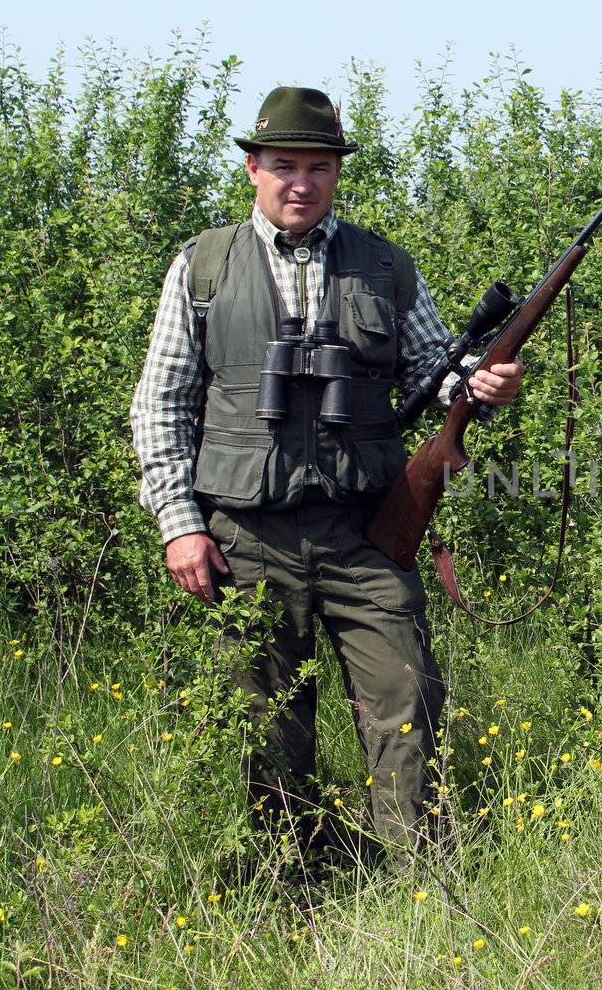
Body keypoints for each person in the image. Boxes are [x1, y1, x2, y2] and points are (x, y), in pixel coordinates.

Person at [130, 86, 523, 856]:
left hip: (364, 535)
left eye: (318, 166)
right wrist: (179, 526)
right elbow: (159, 406)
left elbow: (434, 368)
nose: (300, 182)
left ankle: (419, 886)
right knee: (266, 725)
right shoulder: (202, 266)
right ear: (252, 167)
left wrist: (481, 383)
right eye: (284, 165)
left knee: (407, 698)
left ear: (337, 174)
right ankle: (289, 888)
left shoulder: (382, 265)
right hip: (246, 537)